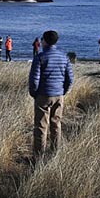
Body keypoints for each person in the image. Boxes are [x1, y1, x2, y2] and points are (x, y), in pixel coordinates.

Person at [28, 30, 74, 160]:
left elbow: (34, 80)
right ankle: (55, 152)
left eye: (42, 39)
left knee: (41, 126)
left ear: (45, 41)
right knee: (56, 124)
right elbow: (70, 78)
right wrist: (64, 91)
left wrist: (34, 93)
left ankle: (38, 156)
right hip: (58, 94)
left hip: (43, 94)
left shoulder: (40, 57)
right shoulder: (64, 57)